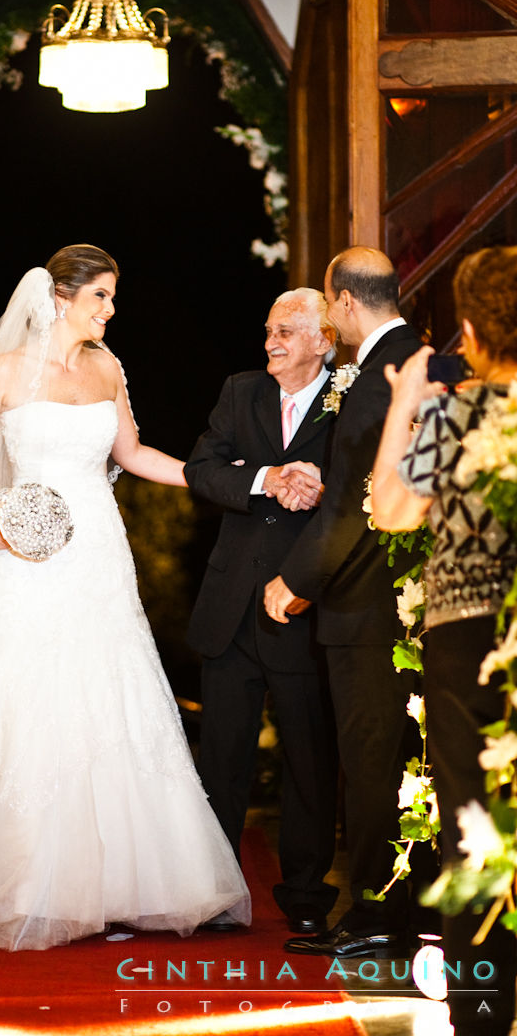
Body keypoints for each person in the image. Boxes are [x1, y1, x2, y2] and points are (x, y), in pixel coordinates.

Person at [0, 244, 251, 951]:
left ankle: (128, 885)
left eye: (113, 298)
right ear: (61, 298)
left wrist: (217, 479)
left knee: (115, 693)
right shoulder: (9, 370)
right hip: (33, 554)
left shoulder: (108, 368)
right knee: (29, 692)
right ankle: (25, 881)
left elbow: (134, 455)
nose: (111, 311)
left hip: (101, 554)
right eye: (101, 297)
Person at [370, 245, 517, 1036]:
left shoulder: (455, 414)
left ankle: (485, 1021)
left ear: (467, 329)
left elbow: (390, 509)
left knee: (476, 834)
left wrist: (407, 402)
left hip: (467, 634)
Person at [264, 245, 424, 957]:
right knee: (406, 758)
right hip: (412, 601)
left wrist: (295, 581)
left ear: (347, 303)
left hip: (368, 605)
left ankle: (375, 919)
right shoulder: (418, 355)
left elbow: (358, 505)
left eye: (329, 303)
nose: (331, 315)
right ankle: (413, 906)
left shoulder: (375, 378)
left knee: (371, 763)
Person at [184, 288, 338, 937]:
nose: (270, 342)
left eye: (285, 332)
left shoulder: (349, 402)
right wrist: (264, 479)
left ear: (322, 342)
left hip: (304, 603)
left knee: (309, 757)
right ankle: (217, 892)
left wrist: (321, 488)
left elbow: (362, 494)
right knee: (222, 758)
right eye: (268, 330)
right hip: (230, 605)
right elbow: (201, 469)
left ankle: (304, 893)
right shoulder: (240, 390)